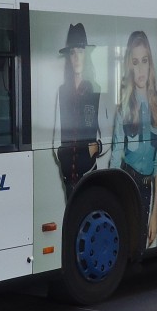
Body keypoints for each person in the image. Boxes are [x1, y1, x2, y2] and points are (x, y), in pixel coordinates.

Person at [109, 31, 157, 247]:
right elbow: (114, 159)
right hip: (127, 184)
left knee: (140, 247)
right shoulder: (124, 108)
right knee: (128, 246)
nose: (140, 69)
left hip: (148, 189)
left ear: (150, 64)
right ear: (130, 67)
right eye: (135, 62)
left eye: (144, 61)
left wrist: (155, 213)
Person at [53, 23, 102, 200]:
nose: (76, 58)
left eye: (80, 52)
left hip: (88, 173)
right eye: (73, 53)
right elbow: (55, 134)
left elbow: (106, 131)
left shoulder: (96, 90)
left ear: (86, 55)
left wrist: (95, 148)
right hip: (68, 177)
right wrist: (62, 156)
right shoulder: (61, 91)